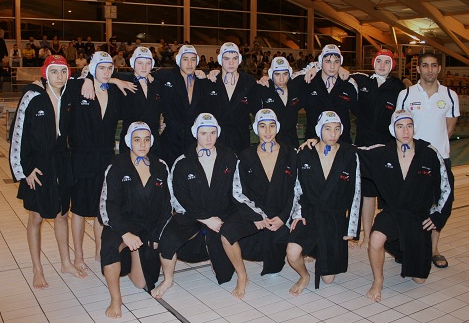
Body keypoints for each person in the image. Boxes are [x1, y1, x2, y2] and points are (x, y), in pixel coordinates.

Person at [9, 55, 88, 289]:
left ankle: (65, 262)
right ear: (45, 74)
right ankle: (37, 268)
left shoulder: (68, 94)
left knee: (63, 213)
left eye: (63, 72)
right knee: (36, 217)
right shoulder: (32, 96)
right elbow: (17, 134)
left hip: (61, 161)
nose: (60, 76)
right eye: (54, 72)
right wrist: (24, 170)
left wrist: (94, 81)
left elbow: (94, 73)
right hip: (37, 164)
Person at [358, 110, 452, 302]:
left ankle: (403, 251)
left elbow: (446, 188)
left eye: (409, 126)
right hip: (393, 212)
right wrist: (317, 144)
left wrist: (437, 216)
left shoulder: (429, 153)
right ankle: (378, 280)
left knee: (419, 279)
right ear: (393, 130)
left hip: (417, 217)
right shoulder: (382, 152)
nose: (405, 131)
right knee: (376, 239)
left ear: (414, 128)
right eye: (400, 126)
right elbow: (351, 153)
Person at [152, 113, 237, 298]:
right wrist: (205, 219)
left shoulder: (229, 157)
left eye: (212, 133)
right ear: (195, 133)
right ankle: (167, 280)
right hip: (191, 215)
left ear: (218, 133)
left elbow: (237, 189)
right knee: (168, 241)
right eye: (204, 133)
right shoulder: (182, 162)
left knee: (225, 276)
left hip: (221, 216)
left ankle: (216, 253)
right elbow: (178, 196)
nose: (208, 138)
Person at [219, 109, 298, 299]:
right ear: (256, 129)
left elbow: (298, 189)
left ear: (277, 127)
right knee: (227, 232)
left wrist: (283, 217)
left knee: (274, 269)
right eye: (263, 126)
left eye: (272, 126)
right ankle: (242, 275)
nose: (268, 131)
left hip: (281, 214)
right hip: (254, 212)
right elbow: (238, 192)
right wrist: (257, 216)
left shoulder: (291, 154)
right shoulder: (245, 156)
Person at [100, 122, 172, 319]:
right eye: (137, 140)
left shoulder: (160, 166)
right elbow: (108, 206)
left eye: (147, 140)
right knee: (110, 247)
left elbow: (167, 207)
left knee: (142, 284)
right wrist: (125, 233)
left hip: (147, 228)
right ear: (128, 141)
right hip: (121, 224)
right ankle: (115, 298)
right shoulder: (116, 166)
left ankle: (136, 255)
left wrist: (157, 235)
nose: (142, 144)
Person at [287, 111, 361, 294]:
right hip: (310, 213)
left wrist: (352, 228)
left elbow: (356, 192)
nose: (333, 134)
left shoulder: (350, 154)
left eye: (337, 129)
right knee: (292, 252)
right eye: (328, 129)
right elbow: (296, 187)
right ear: (319, 130)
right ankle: (304, 275)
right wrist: (297, 213)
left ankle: (317, 249)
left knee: (328, 279)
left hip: (334, 217)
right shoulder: (304, 153)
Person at [396, 52, 459, 269]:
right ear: (418, 69)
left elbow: (449, 127)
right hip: (411, 160)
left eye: (433, 65)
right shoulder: (406, 94)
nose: (429, 70)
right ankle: (407, 246)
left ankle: (434, 249)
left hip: (440, 159)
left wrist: (434, 152)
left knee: (438, 205)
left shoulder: (450, 95)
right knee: (409, 204)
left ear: (439, 69)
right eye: (425, 65)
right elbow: (400, 127)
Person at [69, 52, 125, 272]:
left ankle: (100, 250)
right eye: (102, 68)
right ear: (93, 68)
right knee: (80, 209)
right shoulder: (79, 88)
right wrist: (86, 79)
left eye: (110, 68)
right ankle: (78, 256)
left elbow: (140, 79)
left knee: (102, 208)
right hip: (82, 157)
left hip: (105, 157)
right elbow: (62, 79)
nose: (106, 72)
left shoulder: (114, 92)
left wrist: (113, 80)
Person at [349, 49, 405, 248]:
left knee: (390, 194)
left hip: (387, 148)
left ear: (392, 66)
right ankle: (366, 235)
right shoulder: (362, 82)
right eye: (379, 61)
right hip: (363, 146)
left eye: (386, 62)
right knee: (367, 193)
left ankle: (389, 234)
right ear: (373, 63)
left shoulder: (399, 88)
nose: (382, 65)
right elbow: (339, 73)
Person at [154, 44, 209, 165]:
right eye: (185, 59)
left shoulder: (203, 81)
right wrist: (114, 80)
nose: (189, 64)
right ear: (179, 60)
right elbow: (141, 76)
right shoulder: (166, 76)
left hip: (193, 139)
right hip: (171, 138)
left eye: (193, 59)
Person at [109, 47, 163, 157]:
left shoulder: (156, 84)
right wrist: (115, 81)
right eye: (140, 63)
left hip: (152, 140)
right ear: (133, 63)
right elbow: (96, 75)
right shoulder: (123, 79)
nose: (144, 67)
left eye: (148, 63)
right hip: (131, 139)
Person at [205, 42, 258, 154]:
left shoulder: (249, 81)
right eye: (226, 58)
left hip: (241, 136)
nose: (231, 62)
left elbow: (257, 110)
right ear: (220, 60)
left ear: (239, 60)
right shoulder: (211, 81)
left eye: (234, 58)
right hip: (217, 137)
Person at [302, 45, 359, 144]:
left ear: (340, 63)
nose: (332, 66)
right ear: (321, 61)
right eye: (328, 62)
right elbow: (285, 78)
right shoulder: (309, 82)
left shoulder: (348, 85)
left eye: (336, 62)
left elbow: (360, 112)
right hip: (313, 143)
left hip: (342, 144)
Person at [256, 57, 306, 148]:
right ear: (271, 74)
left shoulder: (296, 87)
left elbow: (319, 66)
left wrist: (340, 69)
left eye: (285, 74)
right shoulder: (263, 89)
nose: (282, 79)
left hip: (292, 141)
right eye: (277, 74)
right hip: (271, 142)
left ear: (290, 73)